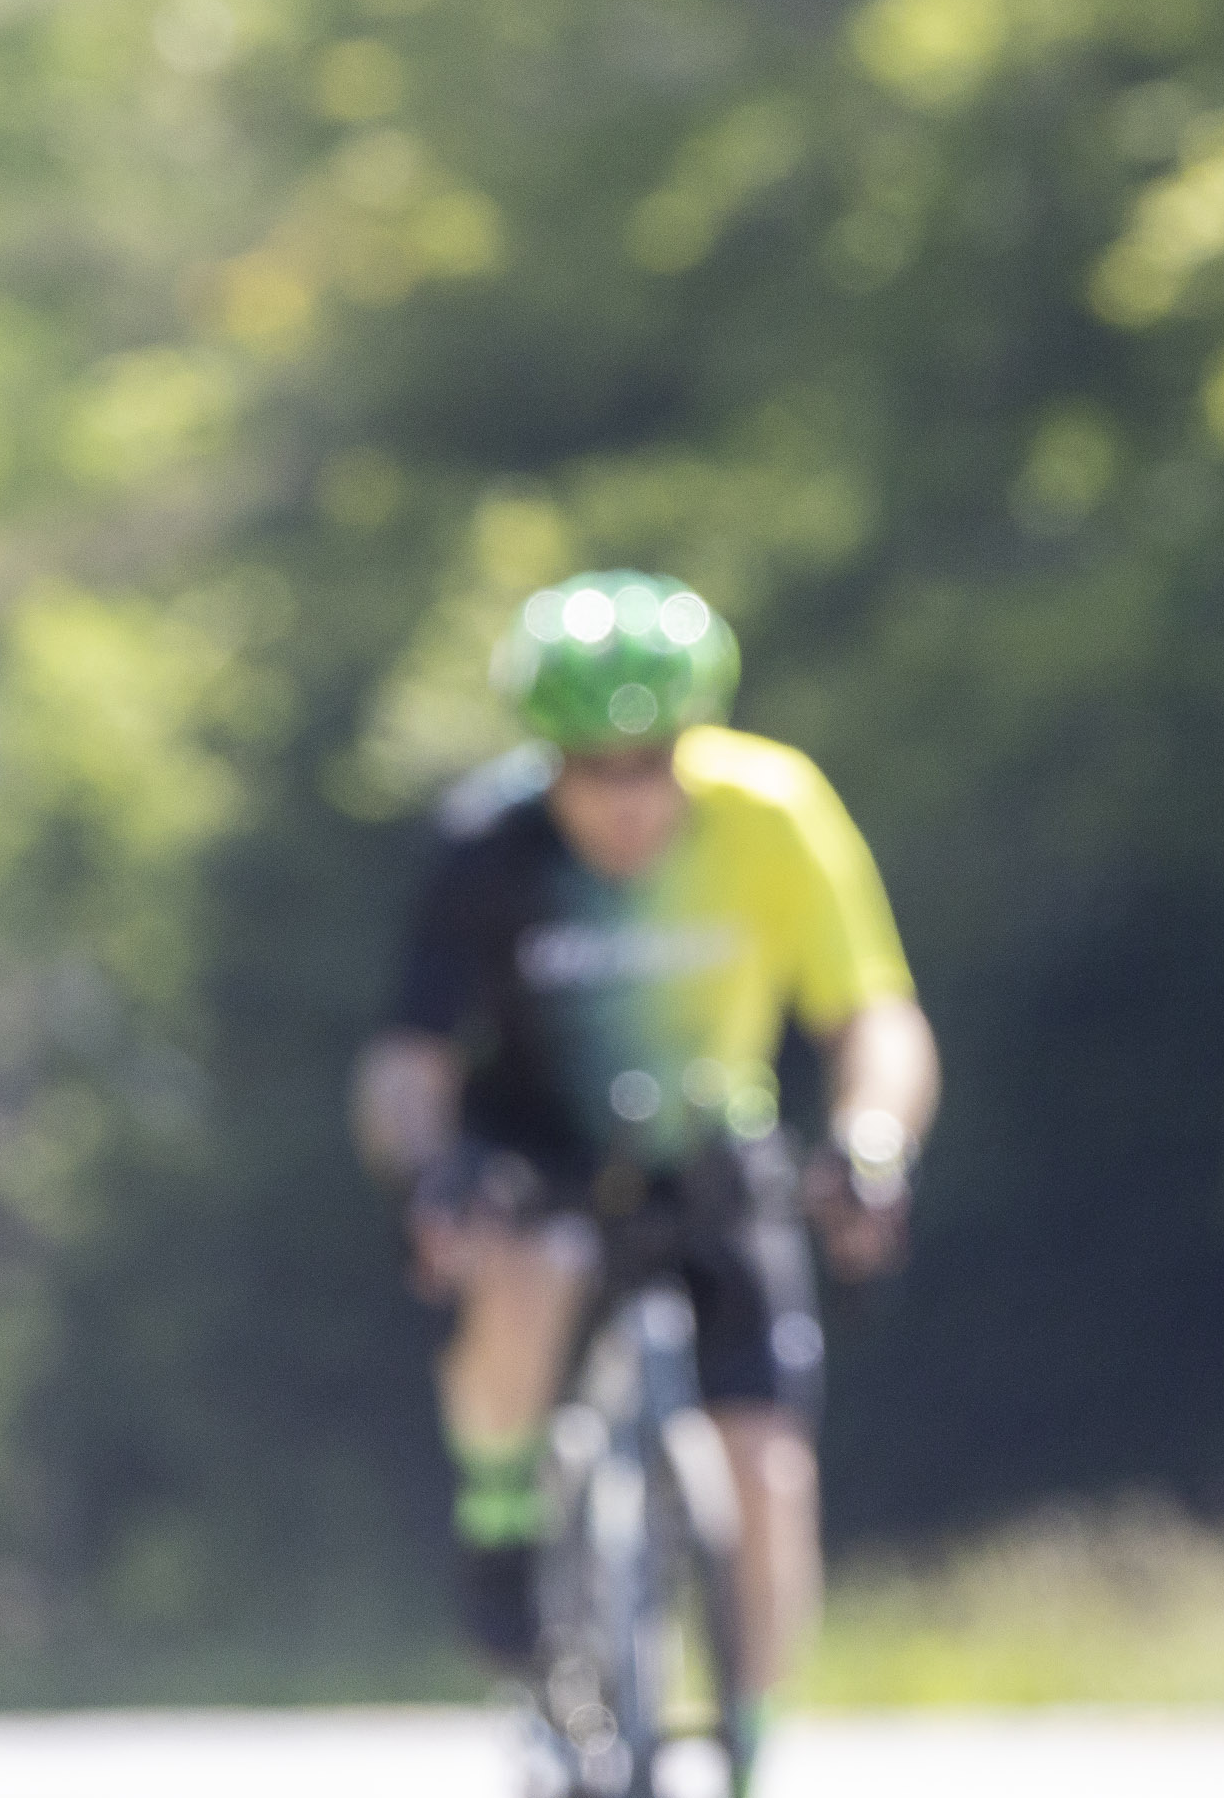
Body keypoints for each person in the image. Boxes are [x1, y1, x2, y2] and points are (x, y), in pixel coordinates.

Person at [349, 570, 940, 1776]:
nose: (627, 797)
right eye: (591, 764)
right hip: (539, 1157)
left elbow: (875, 1016)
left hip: (713, 1157)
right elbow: (407, 1060)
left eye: (655, 757)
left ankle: (748, 1736)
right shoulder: (488, 847)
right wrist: (426, 1170)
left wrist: (872, 1145)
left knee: (769, 1474)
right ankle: (504, 1522)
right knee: (532, 1262)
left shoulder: (775, 813)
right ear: (547, 757)